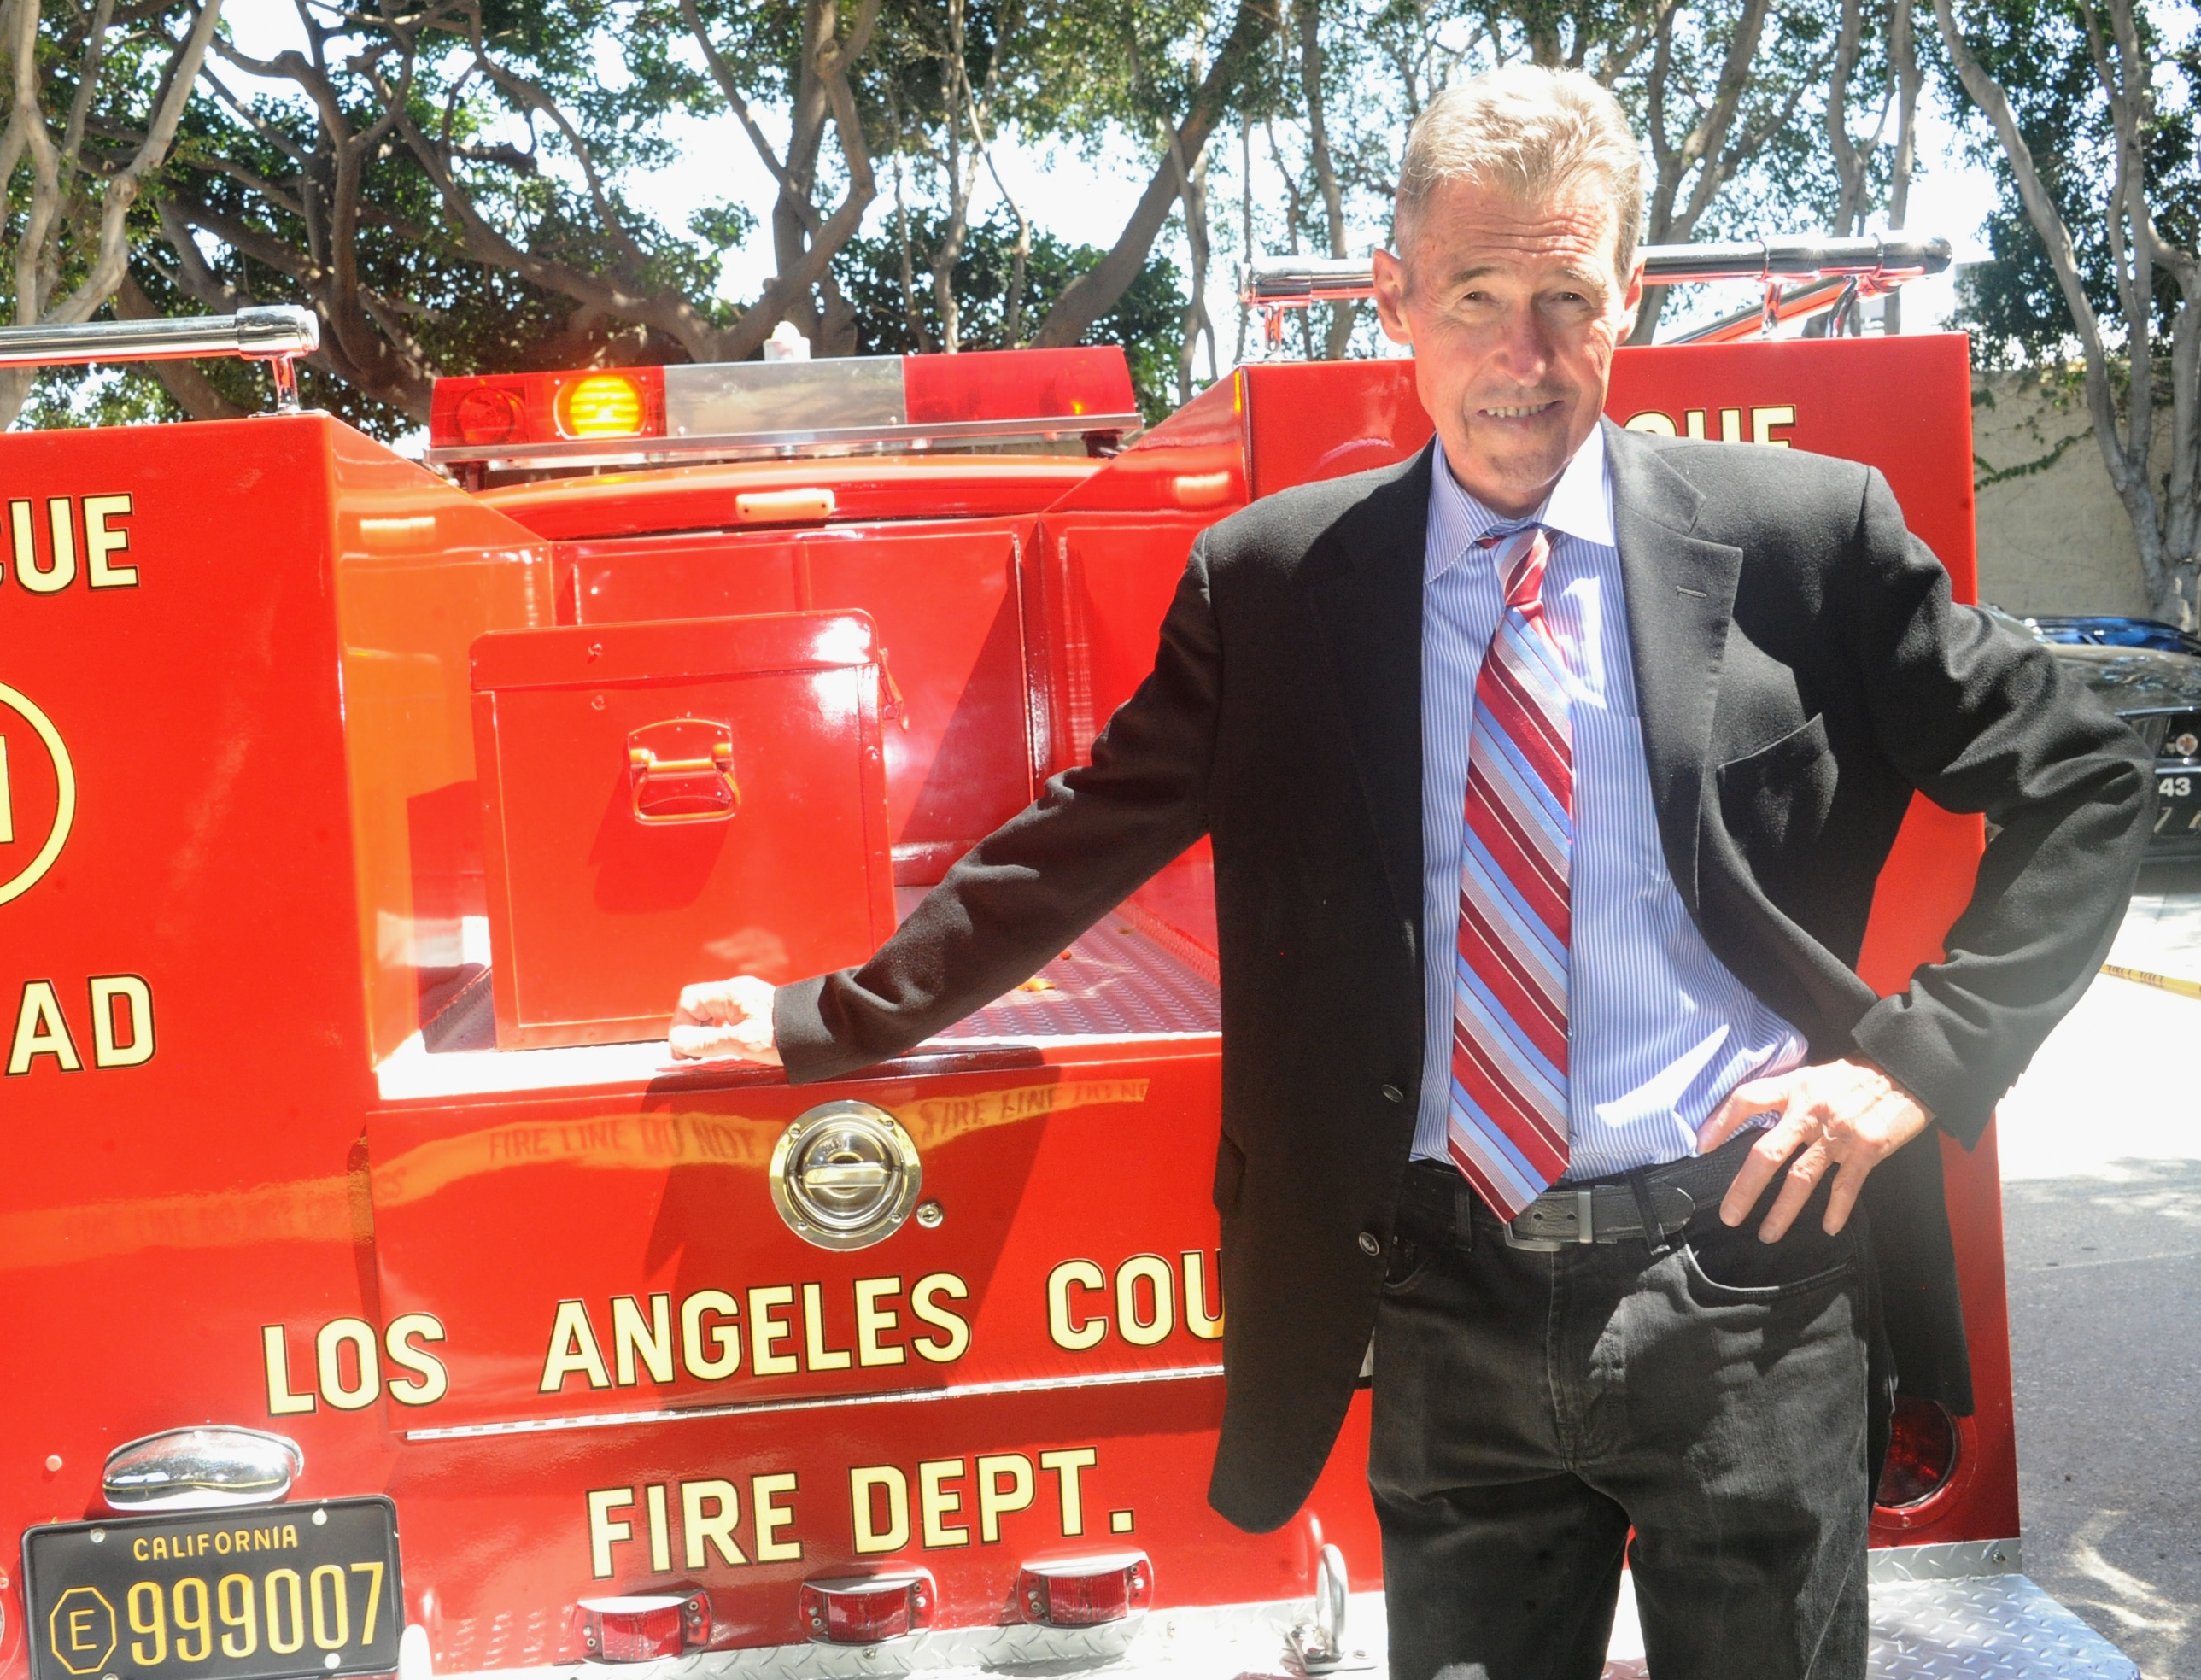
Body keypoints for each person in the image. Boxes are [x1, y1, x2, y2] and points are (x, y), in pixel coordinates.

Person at [670, 65, 2149, 1680]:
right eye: (1476, 296)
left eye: (1568, 298)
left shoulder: (1806, 541)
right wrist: (830, 1017)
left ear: (1627, 299)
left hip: (1745, 1284)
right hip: (1444, 1298)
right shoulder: (1279, 584)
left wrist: (1913, 1068)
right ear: (1398, 299)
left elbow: (2083, 776)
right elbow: (1084, 839)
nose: (1523, 359)